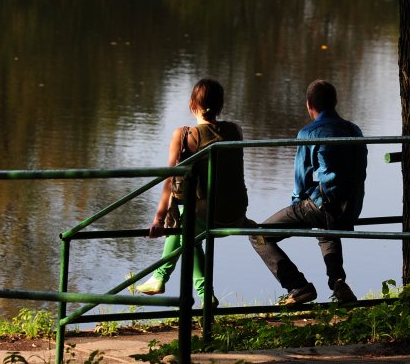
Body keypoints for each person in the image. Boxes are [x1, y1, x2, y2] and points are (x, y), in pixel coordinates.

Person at [250, 79, 367, 305]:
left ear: (308, 105)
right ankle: (338, 282)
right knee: (325, 224)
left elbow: (300, 180)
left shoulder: (310, 132)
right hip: (352, 207)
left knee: (258, 235)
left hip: (326, 207)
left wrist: (297, 205)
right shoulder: (354, 130)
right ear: (335, 102)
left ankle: (297, 285)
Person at [136, 78, 252, 305]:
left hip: (207, 217)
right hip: (236, 213)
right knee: (189, 233)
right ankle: (204, 296)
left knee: (182, 227)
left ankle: (160, 277)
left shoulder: (185, 135)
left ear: (192, 105)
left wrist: (159, 219)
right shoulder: (235, 130)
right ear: (221, 106)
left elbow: (169, 178)